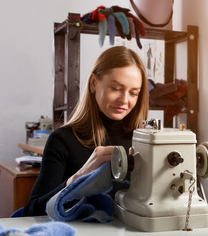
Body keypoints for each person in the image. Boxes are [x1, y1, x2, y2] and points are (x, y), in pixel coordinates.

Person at [23, 46, 149, 216]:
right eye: (116, 89)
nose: (124, 100)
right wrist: (80, 177)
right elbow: (31, 212)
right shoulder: (62, 140)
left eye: (133, 93)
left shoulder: (145, 143)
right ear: (93, 83)